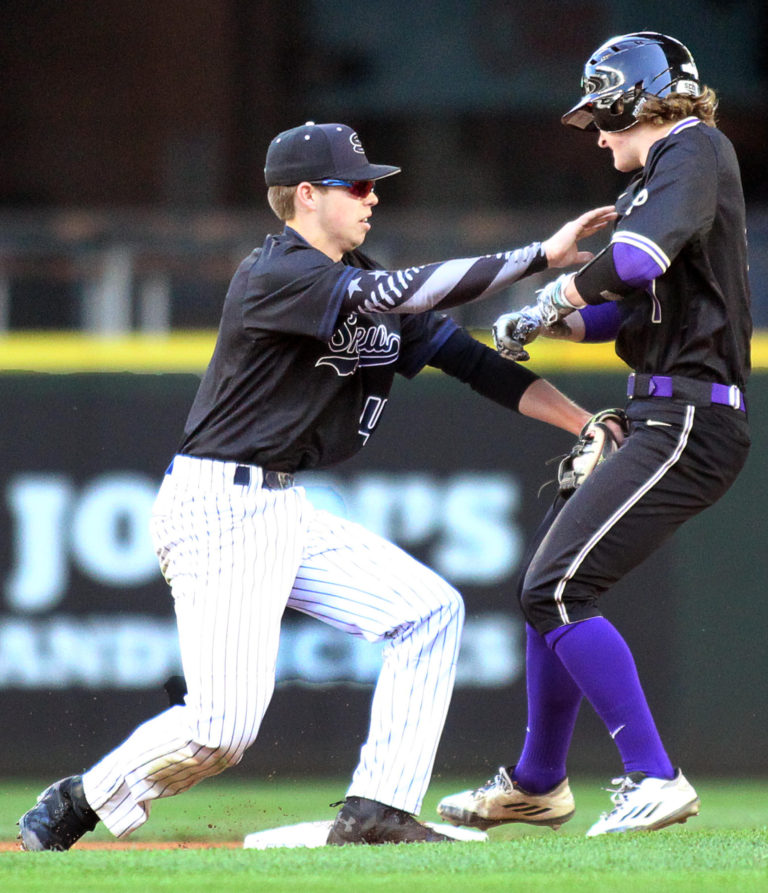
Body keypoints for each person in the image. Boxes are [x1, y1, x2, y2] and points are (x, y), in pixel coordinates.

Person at [18, 120, 614, 850]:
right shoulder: (277, 273)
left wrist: (584, 422)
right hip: (218, 503)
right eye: (356, 185)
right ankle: (80, 797)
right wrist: (537, 258)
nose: (372, 198)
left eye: (374, 185)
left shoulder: (360, 276)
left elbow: (473, 361)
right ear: (305, 195)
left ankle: (379, 809)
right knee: (221, 730)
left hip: (280, 503)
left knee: (429, 611)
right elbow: (394, 290)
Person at [437, 32, 751, 837]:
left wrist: (547, 299)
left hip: (689, 415)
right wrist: (557, 318)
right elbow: (632, 306)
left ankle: (654, 775)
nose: (598, 135)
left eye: (602, 118)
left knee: (557, 589)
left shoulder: (693, 147)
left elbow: (639, 261)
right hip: (664, 407)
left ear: (633, 101)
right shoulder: (670, 172)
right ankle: (539, 782)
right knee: (550, 585)